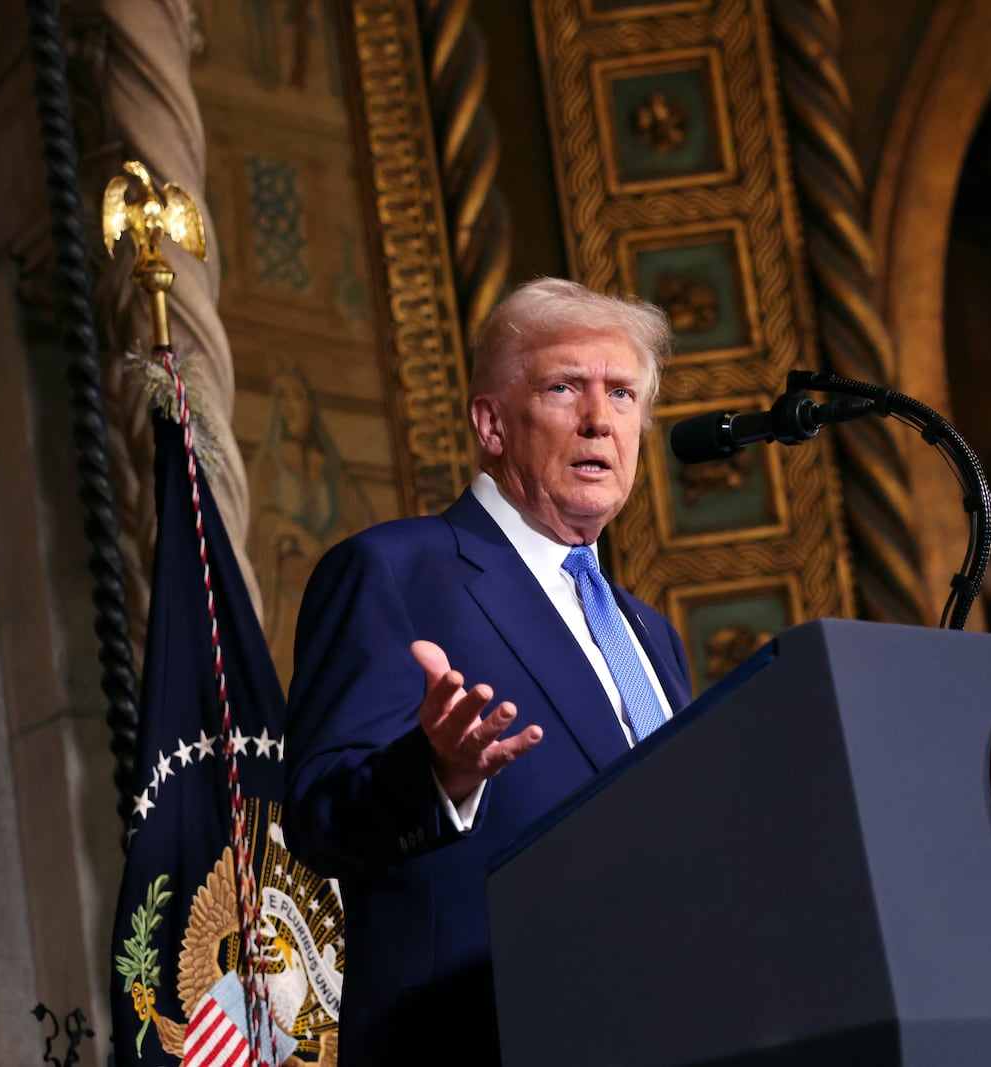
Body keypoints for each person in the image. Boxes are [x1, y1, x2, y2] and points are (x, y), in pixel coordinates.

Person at [284, 278, 693, 1065]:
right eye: (564, 387)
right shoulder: (394, 571)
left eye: (623, 393)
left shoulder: (651, 634)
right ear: (491, 421)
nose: (600, 419)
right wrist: (436, 773)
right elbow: (318, 818)